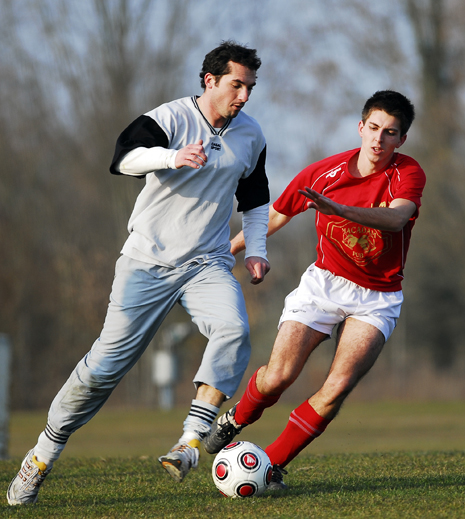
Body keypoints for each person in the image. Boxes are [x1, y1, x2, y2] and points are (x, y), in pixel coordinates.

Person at [7, 40, 271, 506]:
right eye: (237, 85)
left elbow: (254, 202)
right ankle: (41, 456)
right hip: (147, 261)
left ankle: (190, 442)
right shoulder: (169, 118)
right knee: (103, 371)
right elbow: (122, 159)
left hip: (205, 262)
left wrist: (258, 251)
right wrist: (172, 156)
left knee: (233, 329)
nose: (244, 96)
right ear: (210, 81)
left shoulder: (251, 135)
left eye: (250, 87)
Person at [202, 90, 425, 491]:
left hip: (377, 298)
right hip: (324, 284)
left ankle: (269, 466)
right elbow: (276, 214)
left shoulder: (407, 174)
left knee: (337, 388)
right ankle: (237, 418)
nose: (379, 140)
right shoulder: (324, 173)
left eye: (390, 133)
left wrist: (340, 210)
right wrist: (227, 250)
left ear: (401, 140)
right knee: (278, 377)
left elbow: (396, 220)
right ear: (360, 127)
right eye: (373, 128)